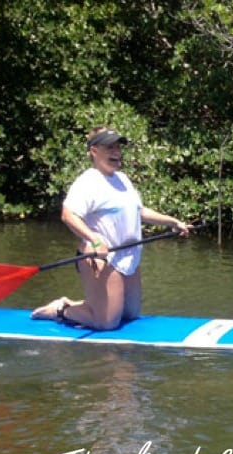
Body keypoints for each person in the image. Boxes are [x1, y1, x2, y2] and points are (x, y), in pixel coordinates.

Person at [30, 127, 190, 330]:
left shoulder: (122, 179)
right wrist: (94, 239)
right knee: (107, 323)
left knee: (130, 315)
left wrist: (172, 222)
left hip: (129, 256)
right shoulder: (88, 182)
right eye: (109, 147)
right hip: (103, 258)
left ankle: (83, 305)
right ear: (94, 151)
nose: (116, 152)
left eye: (118, 147)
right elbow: (68, 215)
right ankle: (61, 310)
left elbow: (139, 211)